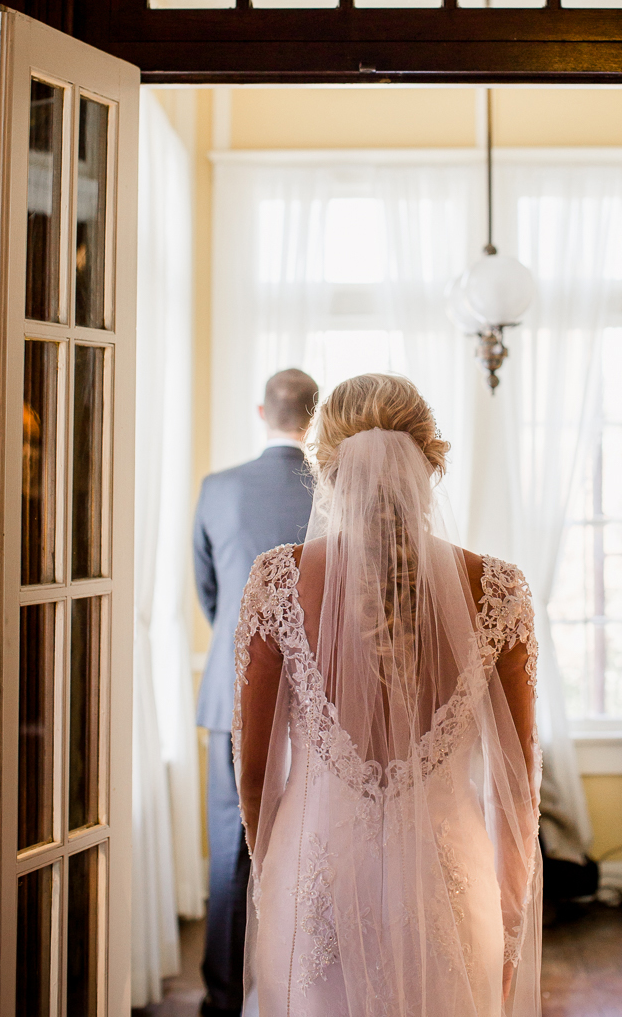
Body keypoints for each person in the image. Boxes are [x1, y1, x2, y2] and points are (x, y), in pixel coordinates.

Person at [233, 373, 542, 1017]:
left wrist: (274, 881)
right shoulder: (499, 588)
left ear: (325, 467)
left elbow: (257, 774)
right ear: (431, 463)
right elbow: (516, 791)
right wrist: (509, 933)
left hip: (314, 889)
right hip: (446, 894)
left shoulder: (278, 580)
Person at [194, 368, 318, 1017]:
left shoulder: (218, 489)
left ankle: (220, 1000)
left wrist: (240, 653)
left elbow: (210, 594)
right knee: (309, 845)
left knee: (229, 858)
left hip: (230, 693)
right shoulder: (332, 491)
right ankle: (299, 991)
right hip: (318, 700)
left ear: (260, 411)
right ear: (316, 414)